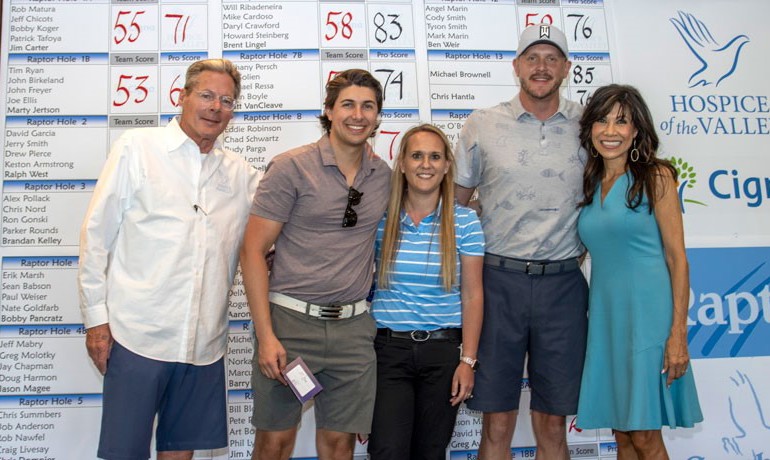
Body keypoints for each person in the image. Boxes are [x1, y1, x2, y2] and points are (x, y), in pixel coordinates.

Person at [78, 58, 259, 460]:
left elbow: (280, 230)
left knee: (181, 453)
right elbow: (96, 235)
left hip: (204, 346)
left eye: (226, 100)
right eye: (207, 95)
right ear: (183, 97)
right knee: (123, 453)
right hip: (136, 335)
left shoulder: (243, 176)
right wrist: (96, 321)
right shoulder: (137, 149)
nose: (215, 107)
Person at [240, 69, 391, 460]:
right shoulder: (291, 167)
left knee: (339, 446)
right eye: (348, 104)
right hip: (290, 327)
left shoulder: (384, 177)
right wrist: (267, 335)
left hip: (354, 333)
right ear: (328, 110)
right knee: (275, 442)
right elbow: (252, 251)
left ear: (377, 116)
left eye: (368, 106)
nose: (358, 114)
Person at [454, 24, 588, 459]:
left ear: (567, 68)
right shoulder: (483, 124)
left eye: (552, 58)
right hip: (498, 283)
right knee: (497, 420)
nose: (542, 67)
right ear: (516, 67)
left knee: (553, 424)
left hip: (564, 285)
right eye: (532, 58)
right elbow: (456, 205)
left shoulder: (591, 126)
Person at [575, 84, 703, 457]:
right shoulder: (590, 182)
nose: (610, 131)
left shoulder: (656, 177)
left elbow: (677, 259)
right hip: (607, 319)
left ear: (636, 131)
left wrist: (678, 335)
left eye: (621, 122)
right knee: (623, 433)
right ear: (590, 128)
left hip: (649, 318)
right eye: (602, 120)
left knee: (645, 435)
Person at [367, 124, 485, 460]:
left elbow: (473, 295)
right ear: (401, 163)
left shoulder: (464, 222)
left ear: (448, 165)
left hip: (443, 354)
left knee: (430, 452)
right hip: (388, 353)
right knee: (388, 450)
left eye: (435, 156)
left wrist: (468, 361)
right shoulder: (380, 219)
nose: (426, 164)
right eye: (416, 155)